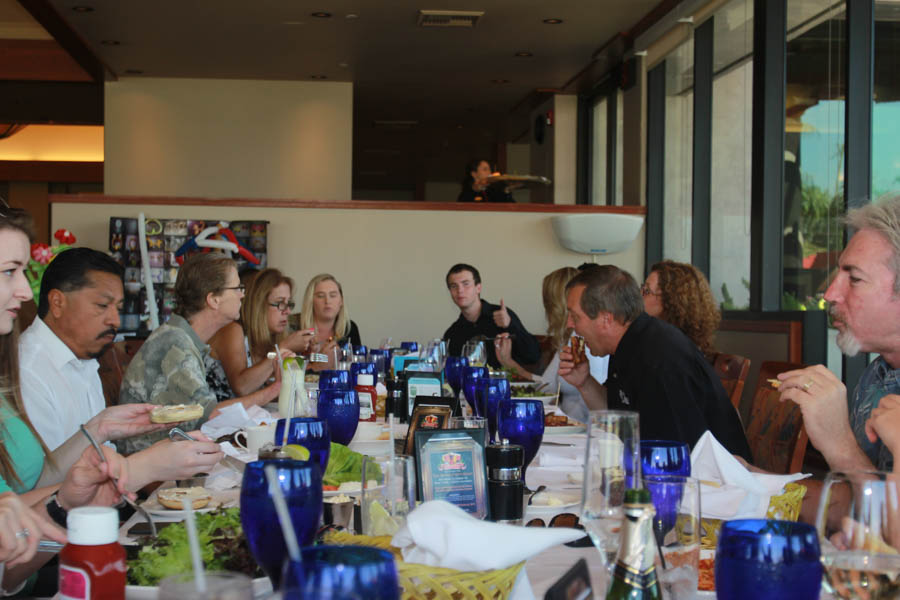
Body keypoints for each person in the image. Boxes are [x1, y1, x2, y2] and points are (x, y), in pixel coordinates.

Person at [0, 206, 208, 594]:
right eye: (10, 271)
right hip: (58, 560)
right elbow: (34, 505)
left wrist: (102, 427)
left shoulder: (84, 362)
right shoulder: (25, 371)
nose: (116, 319)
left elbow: (38, 504)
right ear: (59, 303)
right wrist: (139, 468)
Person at [558, 265, 751, 459]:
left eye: (575, 316)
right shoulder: (628, 344)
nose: (570, 325)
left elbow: (673, 456)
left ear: (606, 319)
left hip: (716, 480)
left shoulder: (660, 358)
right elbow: (617, 417)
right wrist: (584, 382)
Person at [778, 196, 900, 472]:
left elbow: (888, 515)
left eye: (854, 279)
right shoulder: (875, 377)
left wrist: (840, 445)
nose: (830, 294)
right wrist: (753, 481)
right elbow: (855, 501)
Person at [118, 253, 281, 454]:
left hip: (169, 451)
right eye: (237, 288)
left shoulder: (184, 338)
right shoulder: (175, 343)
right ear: (213, 299)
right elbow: (211, 414)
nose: (242, 294)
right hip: (151, 466)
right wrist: (273, 390)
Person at [496, 267, 609, 424]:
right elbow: (546, 386)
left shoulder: (584, 340)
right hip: (566, 426)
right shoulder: (568, 337)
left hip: (581, 431)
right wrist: (508, 363)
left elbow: (600, 410)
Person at [208, 268, 313, 399]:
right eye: (280, 303)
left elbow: (272, 392)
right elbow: (242, 387)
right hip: (214, 418)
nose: (287, 311)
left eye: (288, 304)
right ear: (259, 305)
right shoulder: (233, 330)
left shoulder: (270, 338)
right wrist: (283, 349)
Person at [443, 263, 541, 368]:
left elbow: (534, 356)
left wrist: (510, 325)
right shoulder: (452, 333)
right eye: (454, 286)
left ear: (478, 288)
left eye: (466, 284)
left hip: (509, 382)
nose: (460, 290)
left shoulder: (502, 315)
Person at [641, 260, 721, 359]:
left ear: (671, 302)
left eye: (646, 291)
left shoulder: (674, 353)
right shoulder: (660, 340)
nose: (640, 295)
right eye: (642, 288)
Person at [297, 274, 361, 368]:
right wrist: (320, 363)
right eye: (320, 296)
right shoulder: (294, 326)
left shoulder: (350, 328)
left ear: (341, 301)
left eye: (333, 295)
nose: (327, 301)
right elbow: (284, 370)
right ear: (311, 301)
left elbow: (357, 368)